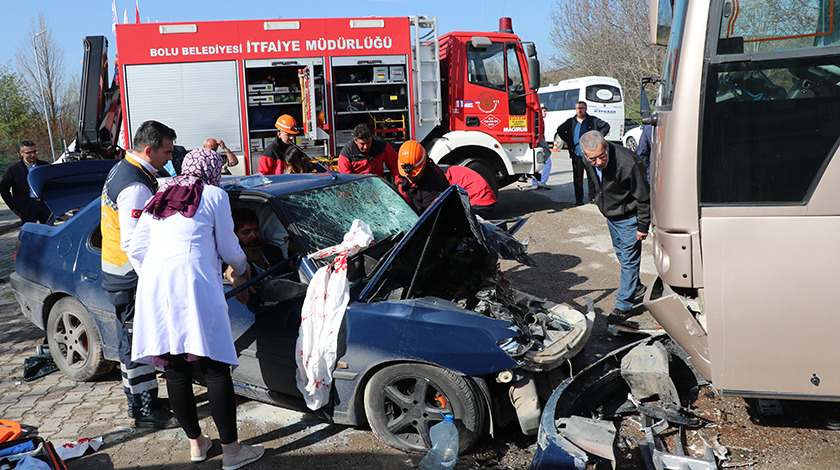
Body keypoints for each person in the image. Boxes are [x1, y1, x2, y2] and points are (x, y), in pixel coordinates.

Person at [127, 148, 265, 468]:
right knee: (214, 365)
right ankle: (232, 452)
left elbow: (135, 248)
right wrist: (243, 268)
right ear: (212, 170)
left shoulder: (159, 193)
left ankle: (197, 445)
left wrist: (157, 273)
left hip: (155, 287)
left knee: (175, 369)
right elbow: (230, 248)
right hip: (194, 285)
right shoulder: (215, 194)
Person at [100, 120, 179, 429]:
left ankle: (141, 398)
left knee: (130, 341)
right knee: (136, 343)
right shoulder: (134, 184)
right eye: (167, 152)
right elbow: (133, 243)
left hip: (118, 271)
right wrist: (151, 280)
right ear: (149, 150)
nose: (170, 159)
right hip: (129, 276)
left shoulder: (128, 170)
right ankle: (144, 411)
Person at [579, 130, 650, 325]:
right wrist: (596, 200)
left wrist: (643, 225)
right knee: (621, 254)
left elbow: (644, 197)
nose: (599, 162)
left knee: (629, 261)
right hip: (612, 216)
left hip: (629, 218)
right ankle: (635, 287)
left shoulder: (630, 163)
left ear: (607, 146)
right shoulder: (588, 160)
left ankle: (624, 305)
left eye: (602, 156)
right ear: (585, 154)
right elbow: (594, 181)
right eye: (593, 159)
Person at [556, 101, 610, 205]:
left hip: (590, 155)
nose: (580, 110)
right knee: (577, 178)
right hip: (577, 154)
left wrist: (598, 138)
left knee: (591, 177)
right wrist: (568, 140)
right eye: (578, 108)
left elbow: (606, 126)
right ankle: (579, 200)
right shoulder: (571, 122)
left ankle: (593, 198)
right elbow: (560, 130)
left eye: (582, 108)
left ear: (586, 109)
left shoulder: (593, 120)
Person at [0, 140, 51, 224]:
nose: (33, 155)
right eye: (29, 153)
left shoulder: (45, 166)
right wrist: (13, 207)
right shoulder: (13, 170)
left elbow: (53, 184)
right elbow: (3, 189)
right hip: (26, 208)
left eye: (34, 151)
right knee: (30, 234)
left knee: (49, 231)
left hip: (45, 205)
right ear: (21, 153)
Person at [394, 140, 450, 214]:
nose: (408, 177)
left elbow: (424, 217)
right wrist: (400, 185)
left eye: (413, 175)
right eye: (406, 175)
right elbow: (400, 177)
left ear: (423, 167)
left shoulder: (434, 185)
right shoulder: (407, 163)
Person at [232, 207, 285, 272]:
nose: (254, 236)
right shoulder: (235, 265)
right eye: (246, 232)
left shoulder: (273, 252)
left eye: (256, 230)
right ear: (235, 235)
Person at [524, 104, 554, 191]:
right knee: (547, 163)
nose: (546, 113)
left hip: (537, 144)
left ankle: (535, 182)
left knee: (536, 163)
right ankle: (541, 182)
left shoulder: (536, 119)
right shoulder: (538, 120)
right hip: (539, 144)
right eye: (544, 111)